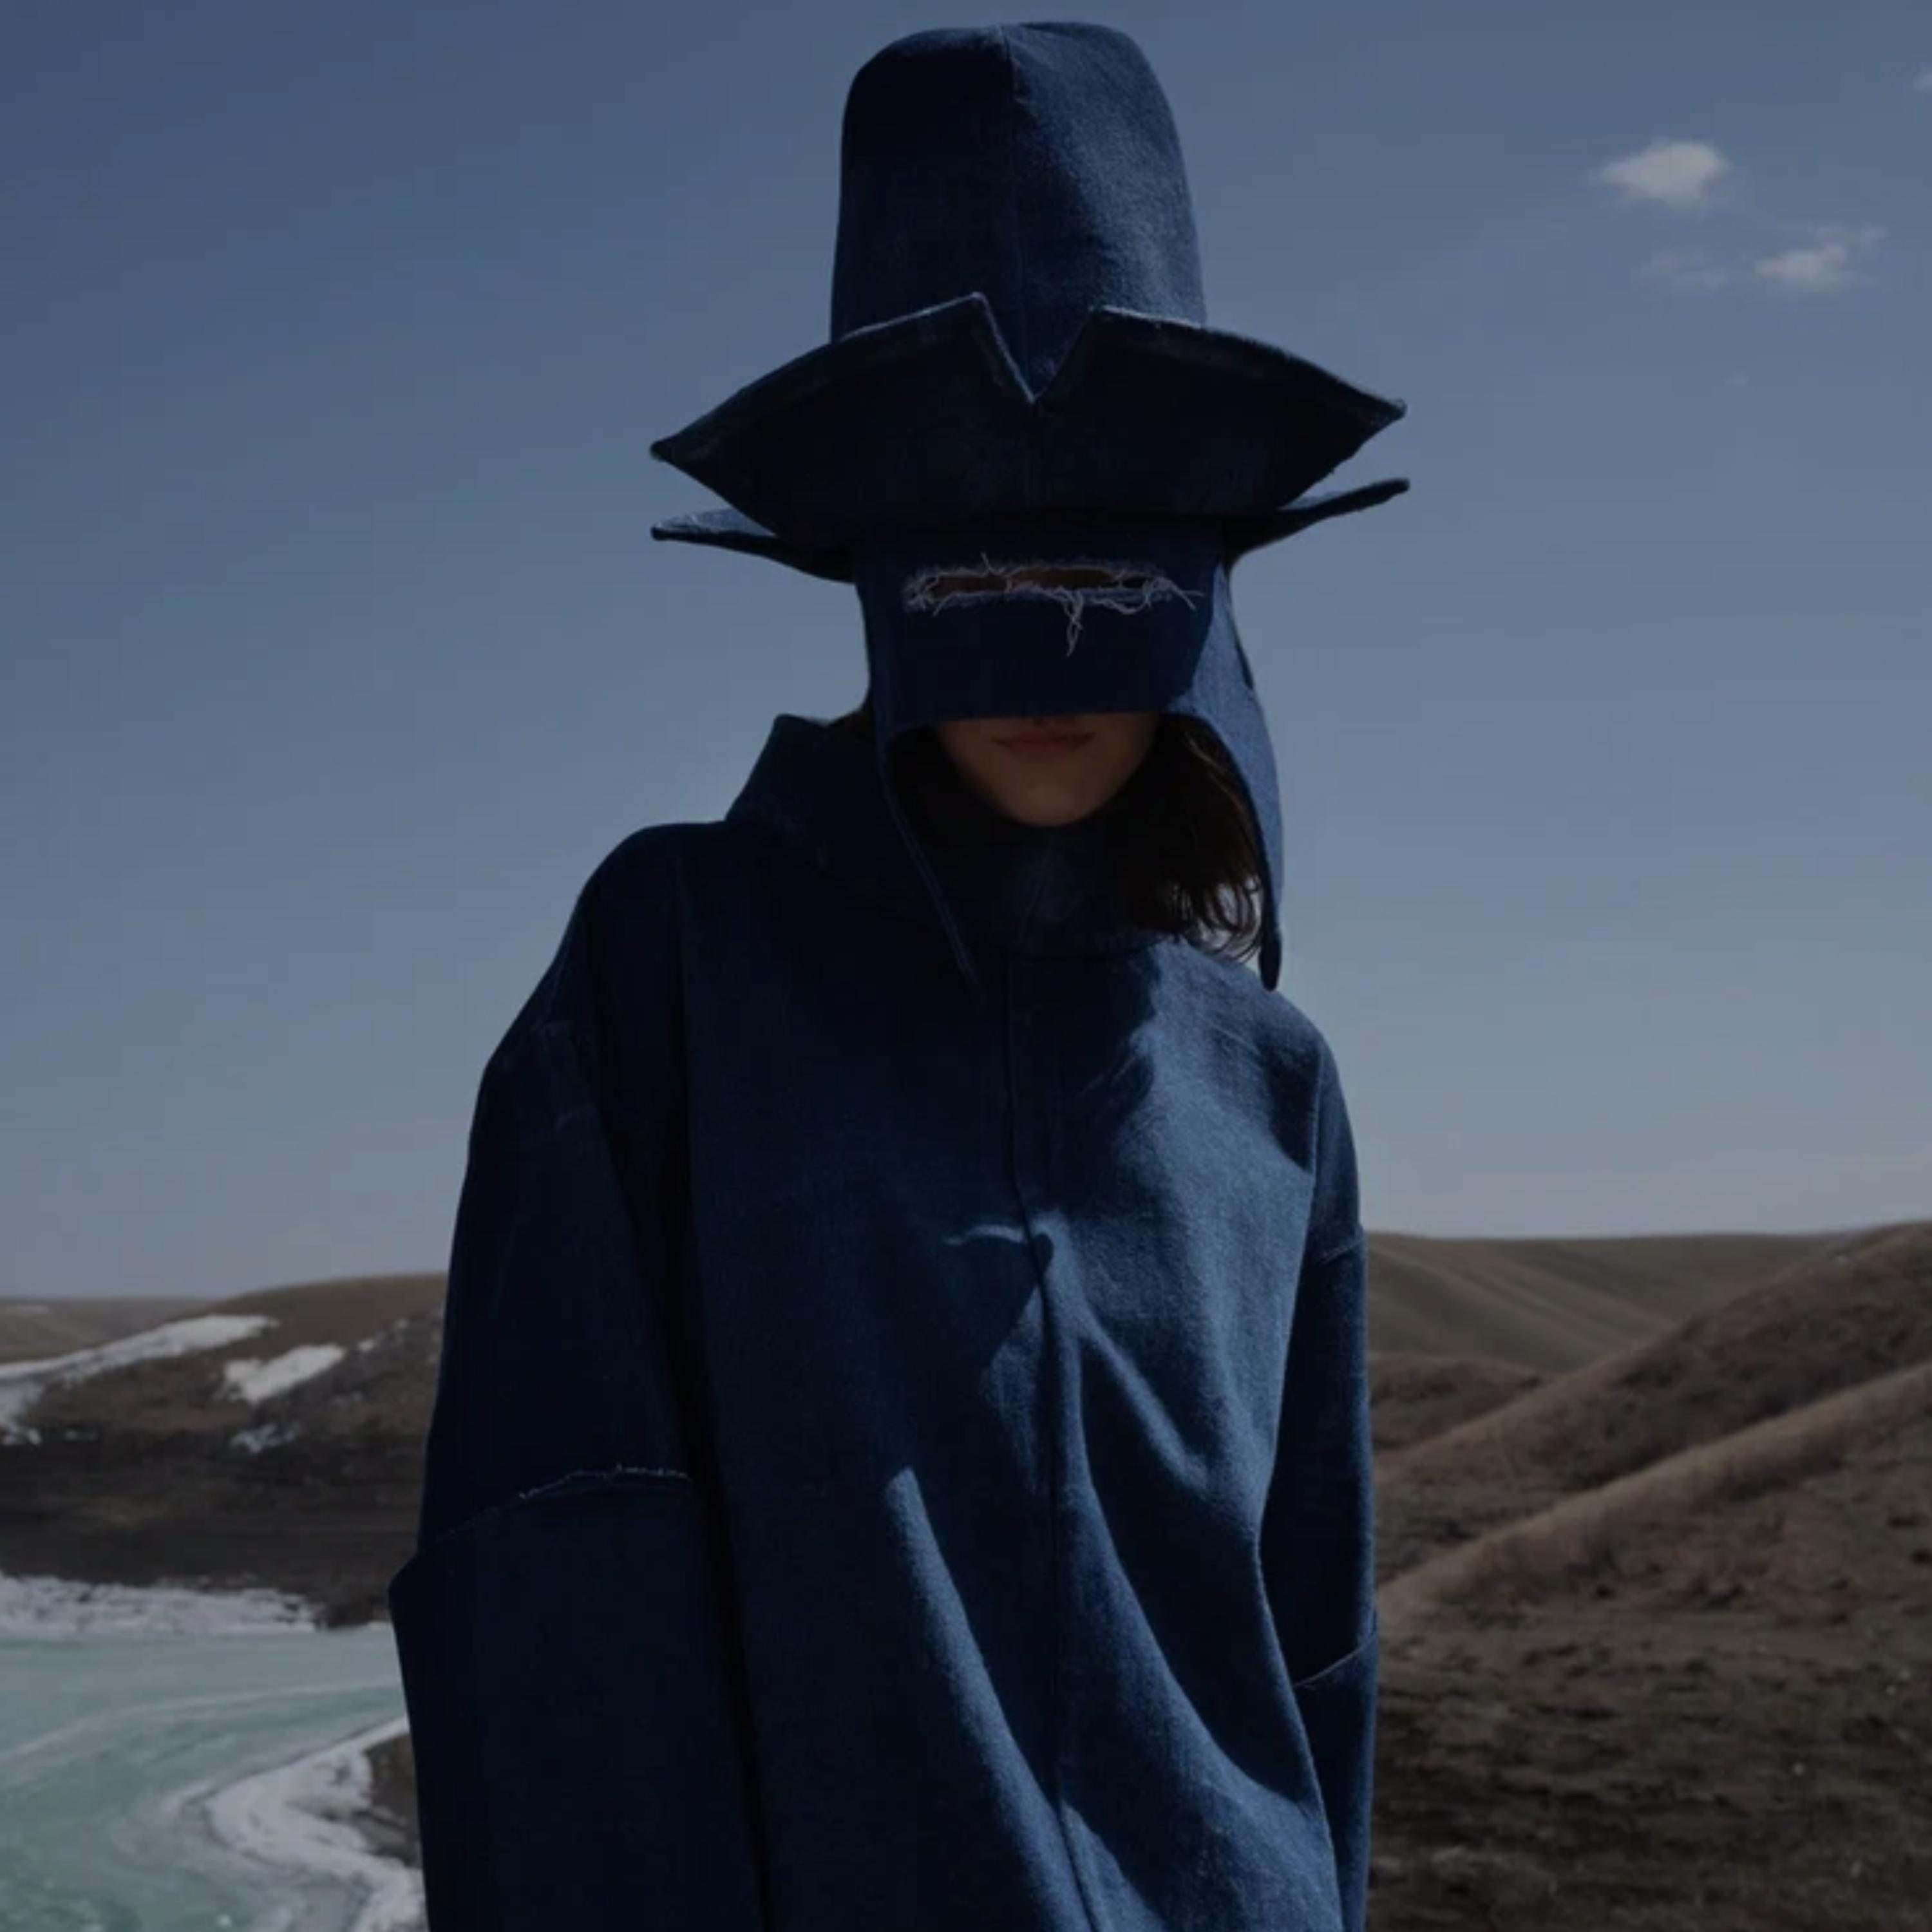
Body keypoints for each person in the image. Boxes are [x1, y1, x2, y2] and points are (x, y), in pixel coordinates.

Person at [386, 21, 1408, 1932]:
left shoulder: (1273, 1087)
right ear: (876, 562)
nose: (1042, 653)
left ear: (1203, 573)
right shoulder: (672, 966)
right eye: (971, 553)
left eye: (1106, 554)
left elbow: (1313, 1649)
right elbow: (552, 1610)